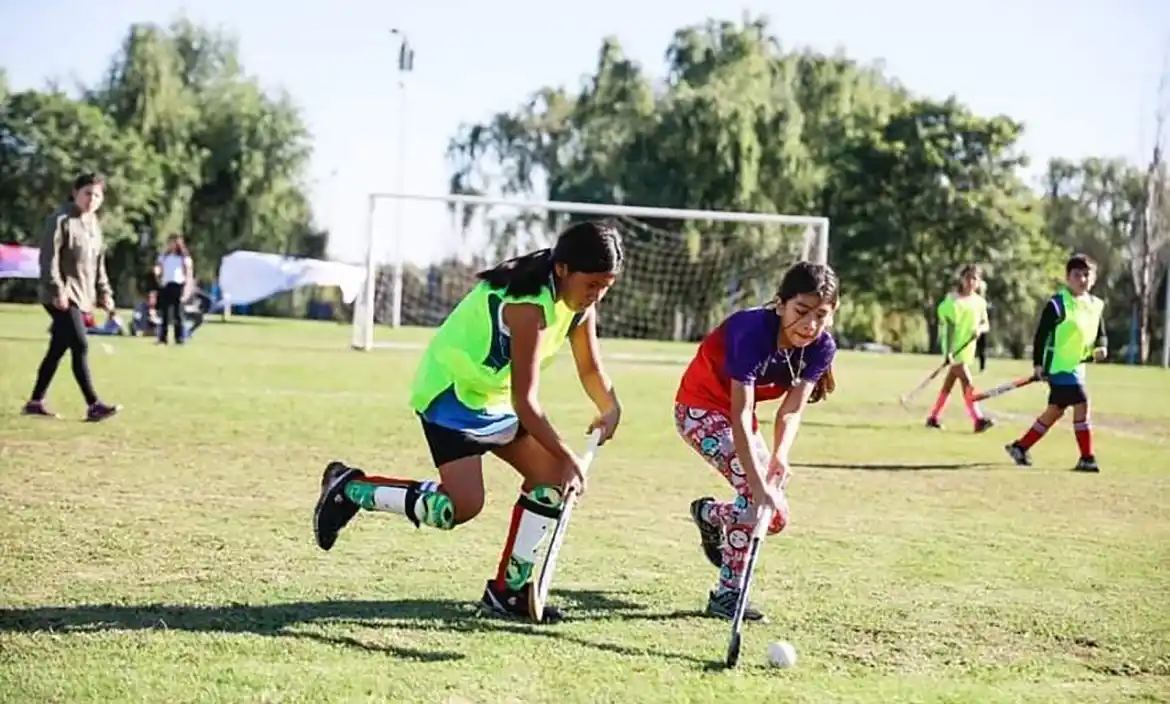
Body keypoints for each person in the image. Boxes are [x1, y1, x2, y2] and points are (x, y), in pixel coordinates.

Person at [313, 220, 625, 622]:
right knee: (459, 508)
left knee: (550, 483)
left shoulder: (580, 304)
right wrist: (568, 456)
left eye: (606, 286)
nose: (597, 295)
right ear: (562, 268)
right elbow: (528, 403)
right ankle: (351, 489)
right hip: (451, 396)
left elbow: (590, 369)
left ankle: (509, 593)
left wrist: (609, 405)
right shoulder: (527, 306)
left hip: (494, 400)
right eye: (592, 284)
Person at [675, 261, 839, 622]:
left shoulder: (821, 347)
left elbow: (790, 411)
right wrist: (756, 481)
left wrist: (780, 455)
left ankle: (709, 514)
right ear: (780, 304)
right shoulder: (752, 331)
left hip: (739, 421)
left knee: (775, 516)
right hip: (698, 410)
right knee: (755, 495)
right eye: (801, 311)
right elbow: (739, 411)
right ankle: (726, 596)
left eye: (821, 315)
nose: (810, 325)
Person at [21, 172, 120, 422]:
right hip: (61, 295)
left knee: (57, 349)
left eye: (97, 195)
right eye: (87, 193)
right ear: (75, 192)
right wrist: (57, 290)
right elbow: (48, 258)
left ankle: (35, 402)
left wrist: (104, 294)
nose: (92, 199)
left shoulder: (94, 224)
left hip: (83, 295)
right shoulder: (60, 219)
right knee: (80, 344)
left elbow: (98, 265)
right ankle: (94, 404)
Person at [1005, 253, 1107, 472]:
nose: (1082, 279)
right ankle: (1087, 458)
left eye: (1086, 275)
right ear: (1067, 277)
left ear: (1094, 278)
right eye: (1077, 275)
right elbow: (1041, 335)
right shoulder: (1058, 303)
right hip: (1058, 368)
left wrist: (1103, 346)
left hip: (1078, 367)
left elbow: (1101, 331)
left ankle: (1020, 447)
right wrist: (1038, 365)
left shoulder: (1096, 304)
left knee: (1054, 412)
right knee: (1082, 403)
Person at [926, 264, 993, 433]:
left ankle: (933, 417)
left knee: (949, 384)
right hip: (953, 347)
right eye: (968, 277)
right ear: (961, 279)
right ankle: (978, 419)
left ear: (979, 282)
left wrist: (979, 329)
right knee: (967, 382)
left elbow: (986, 324)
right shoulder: (952, 300)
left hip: (967, 348)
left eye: (974, 278)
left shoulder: (980, 302)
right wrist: (948, 351)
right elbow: (948, 327)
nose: (971, 282)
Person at [153, 234, 194, 345]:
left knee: (178, 314)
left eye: (173, 242)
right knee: (165, 314)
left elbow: (188, 273)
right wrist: (157, 273)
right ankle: (162, 338)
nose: (171, 245)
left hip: (178, 285)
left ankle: (180, 338)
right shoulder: (164, 256)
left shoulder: (183, 257)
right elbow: (159, 267)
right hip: (166, 285)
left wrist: (187, 289)